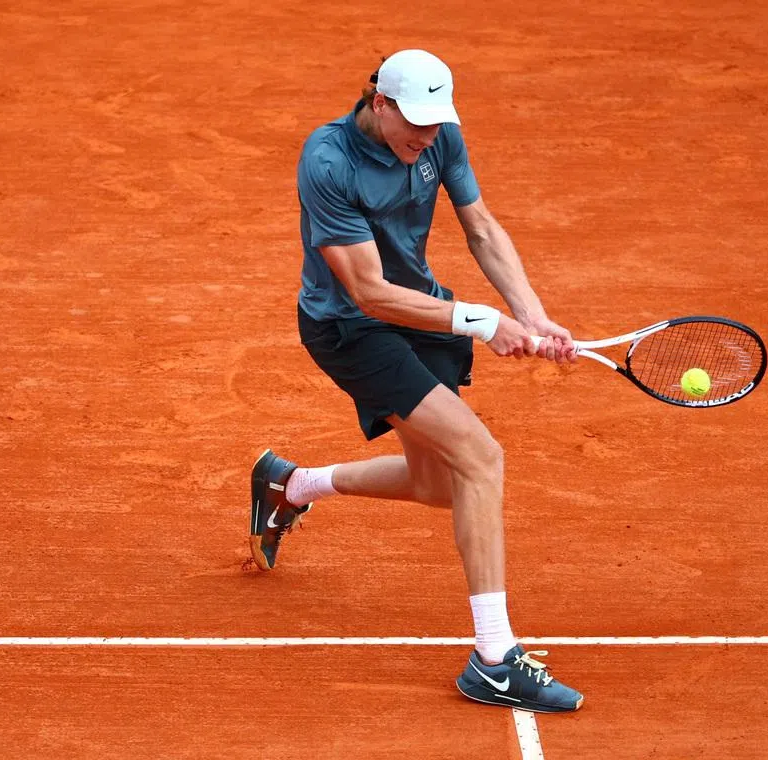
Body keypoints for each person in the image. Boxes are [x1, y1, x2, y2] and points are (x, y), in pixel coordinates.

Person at [249, 49, 583, 713]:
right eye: (415, 123)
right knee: (481, 460)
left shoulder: (440, 137)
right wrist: (480, 322)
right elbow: (369, 292)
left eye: (437, 124)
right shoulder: (328, 161)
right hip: (351, 328)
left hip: (423, 315)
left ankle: (291, 484)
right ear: (380, 102)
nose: (427, 137)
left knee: (439, 483)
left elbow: (481, 227)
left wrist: (530, 312)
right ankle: (493, 660)